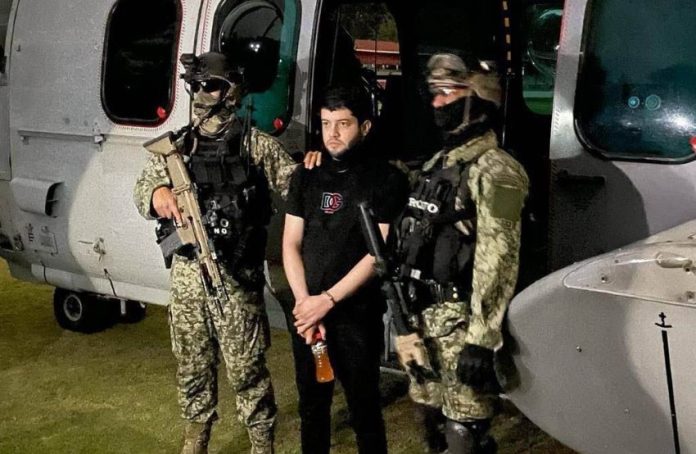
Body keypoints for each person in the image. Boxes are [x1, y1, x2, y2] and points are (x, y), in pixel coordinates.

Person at [133, 51, 296, 454]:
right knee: (192, 365)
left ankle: (262, 444)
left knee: (247, 370)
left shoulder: (255, 145)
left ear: (231, 92)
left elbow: (298, 190)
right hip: (188, 278)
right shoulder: (178, 148)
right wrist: (157, 194)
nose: (203, 94)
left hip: (234, 279)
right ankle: (196, 440)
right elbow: (141, 191)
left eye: (212, 86)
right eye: (198, 86)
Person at [388, 52, 529, 453]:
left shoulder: (496, 170)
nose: (437, 104)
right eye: (434, 93)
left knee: (464, 433)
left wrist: (482, 340)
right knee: (430, 425)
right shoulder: (438, 164)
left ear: (477, 100)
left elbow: (498, 257)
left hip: (462, 323)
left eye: (448, 93)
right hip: (424, 322)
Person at [282, 86, 409, 454]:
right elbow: (290, 243)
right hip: (308, 315)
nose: (332, 134)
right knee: (312, 410)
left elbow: (376, 252)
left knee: (364, 410)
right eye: (325, 124)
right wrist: (306, 304)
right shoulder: (306, 175)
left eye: (343, 124)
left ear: (365, 127)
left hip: (355, 314)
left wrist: (328, 300)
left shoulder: (386, 179)